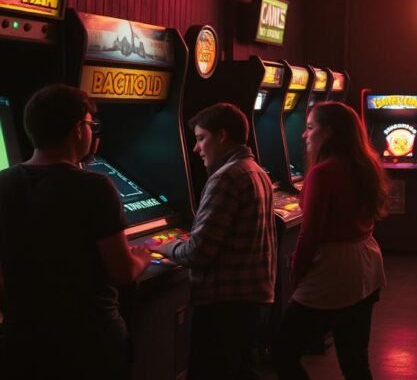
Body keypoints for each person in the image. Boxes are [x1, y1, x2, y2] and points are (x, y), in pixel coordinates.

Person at [0, 84, 149, 379]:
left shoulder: (3, 183)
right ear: (78, 129)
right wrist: (142, 257)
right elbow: (123, 272)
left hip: (24, 342)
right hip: (91, 342)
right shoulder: (95, 187)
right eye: (91, 125)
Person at [149, 103, 276, 380]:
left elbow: (198, 252)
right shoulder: (257, 171)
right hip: (254, 299)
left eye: (200, 138)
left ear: (222, 136)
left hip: (225, 305)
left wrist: (162, 246)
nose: (196, 149)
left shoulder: (227, 177)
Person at [274, 102, 388, 380]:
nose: (304, 135)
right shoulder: (365, 164)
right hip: (366, 262)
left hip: (333, 271)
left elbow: (310, 234)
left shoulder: (323, 173)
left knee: (282, 353)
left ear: (329, 132)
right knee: (354, 360)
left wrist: (296, 275)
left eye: (311, 127)